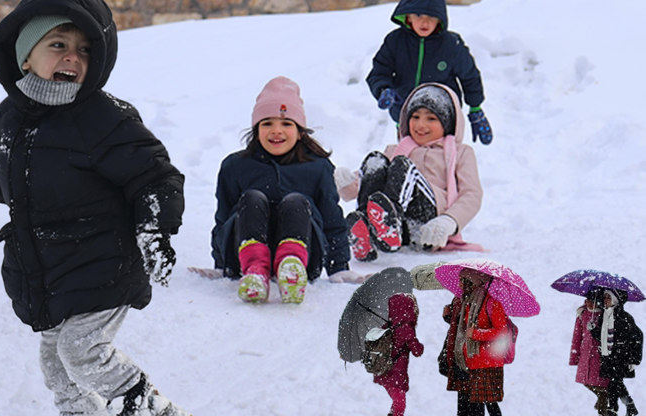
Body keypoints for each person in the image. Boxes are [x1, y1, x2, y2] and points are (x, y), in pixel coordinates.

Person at [0, 1, 188, 415]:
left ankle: (149, 407)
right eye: (58, 44)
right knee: (54, 362)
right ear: (26, 55)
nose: (73, 57)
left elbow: (153, 174)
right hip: (54, 270)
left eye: (84, 49)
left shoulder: (102, 118)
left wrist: (154, 228)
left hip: (104, 264)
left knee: (81, 349)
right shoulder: (11, 117)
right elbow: (14, 182)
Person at [211, 76, 357, 304]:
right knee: (251, 198)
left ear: (300, 132)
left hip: (305, 254)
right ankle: (255, 269)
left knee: (296, 201)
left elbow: (331, 218)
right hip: (244, 254)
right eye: (267, 123)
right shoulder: (235, 166)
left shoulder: (317, 167)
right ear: (256, 129)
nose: (276, 131)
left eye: (286, 123)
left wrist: (339, 266)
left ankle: (291, 266)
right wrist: (221, 263)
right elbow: (223, 218)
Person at [337, 83, 482, 261]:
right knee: (375, 160)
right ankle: (367, 229)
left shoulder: (460, 152)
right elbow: (365, 181)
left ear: (447, 122)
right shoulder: (395, 149)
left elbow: (472, 194)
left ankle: (390, 221)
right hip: (398, 233)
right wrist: (346, 183)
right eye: (415, 116)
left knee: (401, 165)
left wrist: (448, 221)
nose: (420, 124)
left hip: (428, 225)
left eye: (431, 119)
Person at [366, 0, 493, 145]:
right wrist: (383, 89)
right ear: (408, 17)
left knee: (440, 162)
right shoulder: (395, 41)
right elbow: (379, 72)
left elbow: (469, 76)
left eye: (432, 17)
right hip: (407, 118)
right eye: (419, 16)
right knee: (410, 159)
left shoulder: (451, 45)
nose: (425, 23)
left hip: (442, 120)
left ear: (440, 18)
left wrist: (476, 107)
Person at [441, 268, 507, 416]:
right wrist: (449, 316)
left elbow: (502, 333)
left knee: (481, 407)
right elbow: (461, 328)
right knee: (467, 407)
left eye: (462, 281)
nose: (459, 285)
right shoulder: (466, 303)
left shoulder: (492, 304)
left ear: (471, 283)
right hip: (466, 362)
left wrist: (477, 334)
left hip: (485, 363)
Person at [590, 289, 643, 416]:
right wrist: (593, 330)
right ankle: (630, 406)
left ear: (615, 300)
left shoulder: (624, 317)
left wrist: (633, 359)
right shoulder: (604, 315)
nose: (605, 300)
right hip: (607, 355)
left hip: (620, 356)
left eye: (608, 297)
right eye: (605, 297)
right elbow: (604, 336)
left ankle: (613, 409)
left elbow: (637, 336)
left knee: (615, 382)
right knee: (615, 382)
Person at [373, 293, 424, 416]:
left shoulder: (388, 326)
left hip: (384, 370)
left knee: (396, 404)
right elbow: (417, 351)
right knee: (400, 405)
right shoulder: (406, 328)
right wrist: (419, 345)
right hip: (395, 374)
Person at [570, 290, 611, 416]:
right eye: (587, 300)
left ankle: (602, 410)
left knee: (602, 385)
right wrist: (574, 357)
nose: (588, 303)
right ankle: (601, 401)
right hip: (585, 355)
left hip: (599, 356)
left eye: (592, 301)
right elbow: (576, 337)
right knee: (586, 381)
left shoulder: (605, 315)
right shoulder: (582, 314)